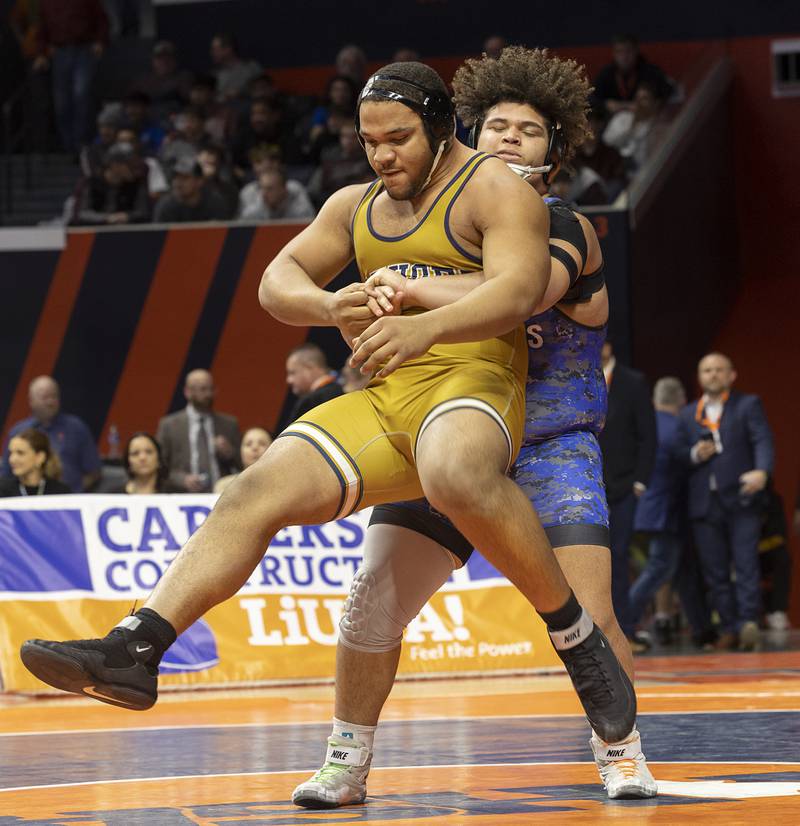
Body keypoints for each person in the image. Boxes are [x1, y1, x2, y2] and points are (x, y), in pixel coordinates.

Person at [21, 64, 636, 776]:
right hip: (400, 401)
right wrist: (329, 305)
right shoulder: (360, 202)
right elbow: (276, 281)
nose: (381, 155)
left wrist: (417, 312)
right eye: (369, 141)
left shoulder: (521, 202)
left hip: (516, 414)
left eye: (397, 139)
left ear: (444, 133)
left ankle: (596, 686)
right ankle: (138, 647)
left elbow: (522, 290)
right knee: (257, 495)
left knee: (458, 477)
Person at [292, 46, 655, 809]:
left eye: (528, 130)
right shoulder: (439, 217)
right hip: (448, 423)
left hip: (550, 444)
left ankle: (622, 752)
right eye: (494, 126)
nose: (509, 139)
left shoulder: (565, 224)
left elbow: (521, 291)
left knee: (590, 613)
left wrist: (401, 285)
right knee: (372, 601)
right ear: (462, 136)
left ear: (555, 151)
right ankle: (345, 760)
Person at [673, 352, 774, 651]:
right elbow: (677, 454)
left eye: (719, 369)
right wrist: (693, 454)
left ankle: (748, 624)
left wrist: (763, 471)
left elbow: (762, 439)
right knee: (714, 570)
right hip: (704, 502)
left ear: (732, 375)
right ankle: (729, 627)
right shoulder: (688, 413)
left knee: (745, 564)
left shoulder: (748, 404)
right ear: (700, 377)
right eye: (707, 370)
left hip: (742, 497)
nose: (713, 374)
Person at [598, 340, 657, 650]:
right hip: (587, 484)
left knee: (619, 559)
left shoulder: (633, 382)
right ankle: (596, 635)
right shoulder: (579, 377)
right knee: (593, 560)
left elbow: (648, 435)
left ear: (609, 344)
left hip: (623, 488)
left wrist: (639, 483)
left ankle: (625, 631)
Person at [33, 0, 109, 153]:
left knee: (81, 94)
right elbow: (42, 28)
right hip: (59, 52)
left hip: (83, 49)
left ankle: (81, 142)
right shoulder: (47, 3)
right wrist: (41, 53)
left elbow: (101, 20)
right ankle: (67, 145)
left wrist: (100, 41)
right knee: (61, 102)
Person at [2, 375, 100, 493]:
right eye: (45, 397)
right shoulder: (18, 432)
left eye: (54, 396)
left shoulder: (76, 428)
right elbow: (6, 474)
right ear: (31, 401)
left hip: (68, 500)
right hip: (21, 499)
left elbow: (94, 471)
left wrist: (71, 495)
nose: (50, 401)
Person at [155, 369, 241, 493]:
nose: (207, 394)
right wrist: (181, 479)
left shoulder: (229, 424)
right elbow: (159, 465)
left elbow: (243, 464)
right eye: (201, 389)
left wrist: (229, 453)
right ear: (187, 392)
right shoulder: (169, 425)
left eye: (210, 389)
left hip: (221, 495)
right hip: (182, 497)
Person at [591, 33, 674, 117]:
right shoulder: (607, 73)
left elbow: (669, 94)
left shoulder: (651, 72)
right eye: (619, 52)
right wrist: (605, 105)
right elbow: (592, 99)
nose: (624, 56)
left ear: (636, 51)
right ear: (614, 53)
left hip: (647, 120)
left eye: (628, 51)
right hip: (613, 122)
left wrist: (648, 105)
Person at [152, 157, 230, 223]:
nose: (178, 183)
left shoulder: (214, 202)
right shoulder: (165, 206)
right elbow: (159, 238)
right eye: (176, 177)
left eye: (185, 178)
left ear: (200, 181)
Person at [0, 429, 71, 496]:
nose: (12, 459)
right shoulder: (3, 490)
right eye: (11, 453)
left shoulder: (60, 492)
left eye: (20, 453)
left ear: (40, 457)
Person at [107, 432, 184, 495]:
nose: (142, 458)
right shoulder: (112, 496)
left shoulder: (177, 495)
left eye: (149, 452)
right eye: (135, 453)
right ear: (128, 462)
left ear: (159, 459)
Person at [285, 343, 343, 423]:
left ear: (309, 368)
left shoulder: (309, 402)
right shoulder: (345, 393)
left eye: (292, 372)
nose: (289, 380)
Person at [238, 167, 315, 222]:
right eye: (262, 188)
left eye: (270, 189)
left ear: (283, 189)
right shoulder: (253, 213)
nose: (264, 193)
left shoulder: (300, 209)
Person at [214, 427, 273, 494]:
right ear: (241, 451)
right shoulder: (223, 486)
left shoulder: (282, 484)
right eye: (248, 444)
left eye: (262, 444)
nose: (255, 447)